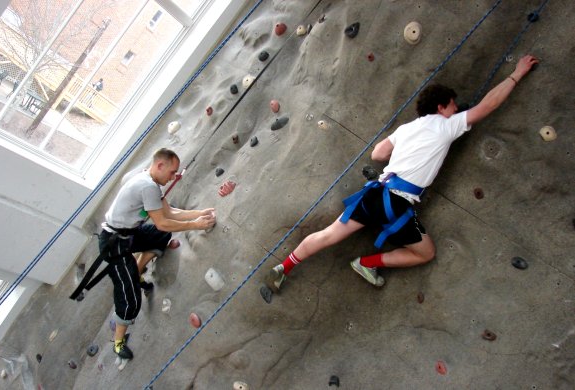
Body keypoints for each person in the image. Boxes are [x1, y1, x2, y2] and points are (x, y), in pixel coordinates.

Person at [267, 54, 539, 292]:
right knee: (425, 253)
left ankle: (285, 266)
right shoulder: (446, 126)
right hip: (396, 204)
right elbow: (488, 106)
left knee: (329, 234)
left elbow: (377, 154)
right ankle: (365, 263)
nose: (457, 109)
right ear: (441, 107)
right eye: (454, 105)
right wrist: (517, 74)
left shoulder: (406, 129)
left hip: (374, 194)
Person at [100, 148, 216, 360]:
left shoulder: (151, 182)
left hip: (129, 234)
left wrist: (200, 214)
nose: (174, 177)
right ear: (160, 165)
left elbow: (169, 212)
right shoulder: (147, 186)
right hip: (114, 243)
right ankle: (118, 342)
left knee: (158, 236)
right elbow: (162, 222)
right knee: (129, 298)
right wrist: (195, 224)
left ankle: (137, 269)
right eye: (172, 172)